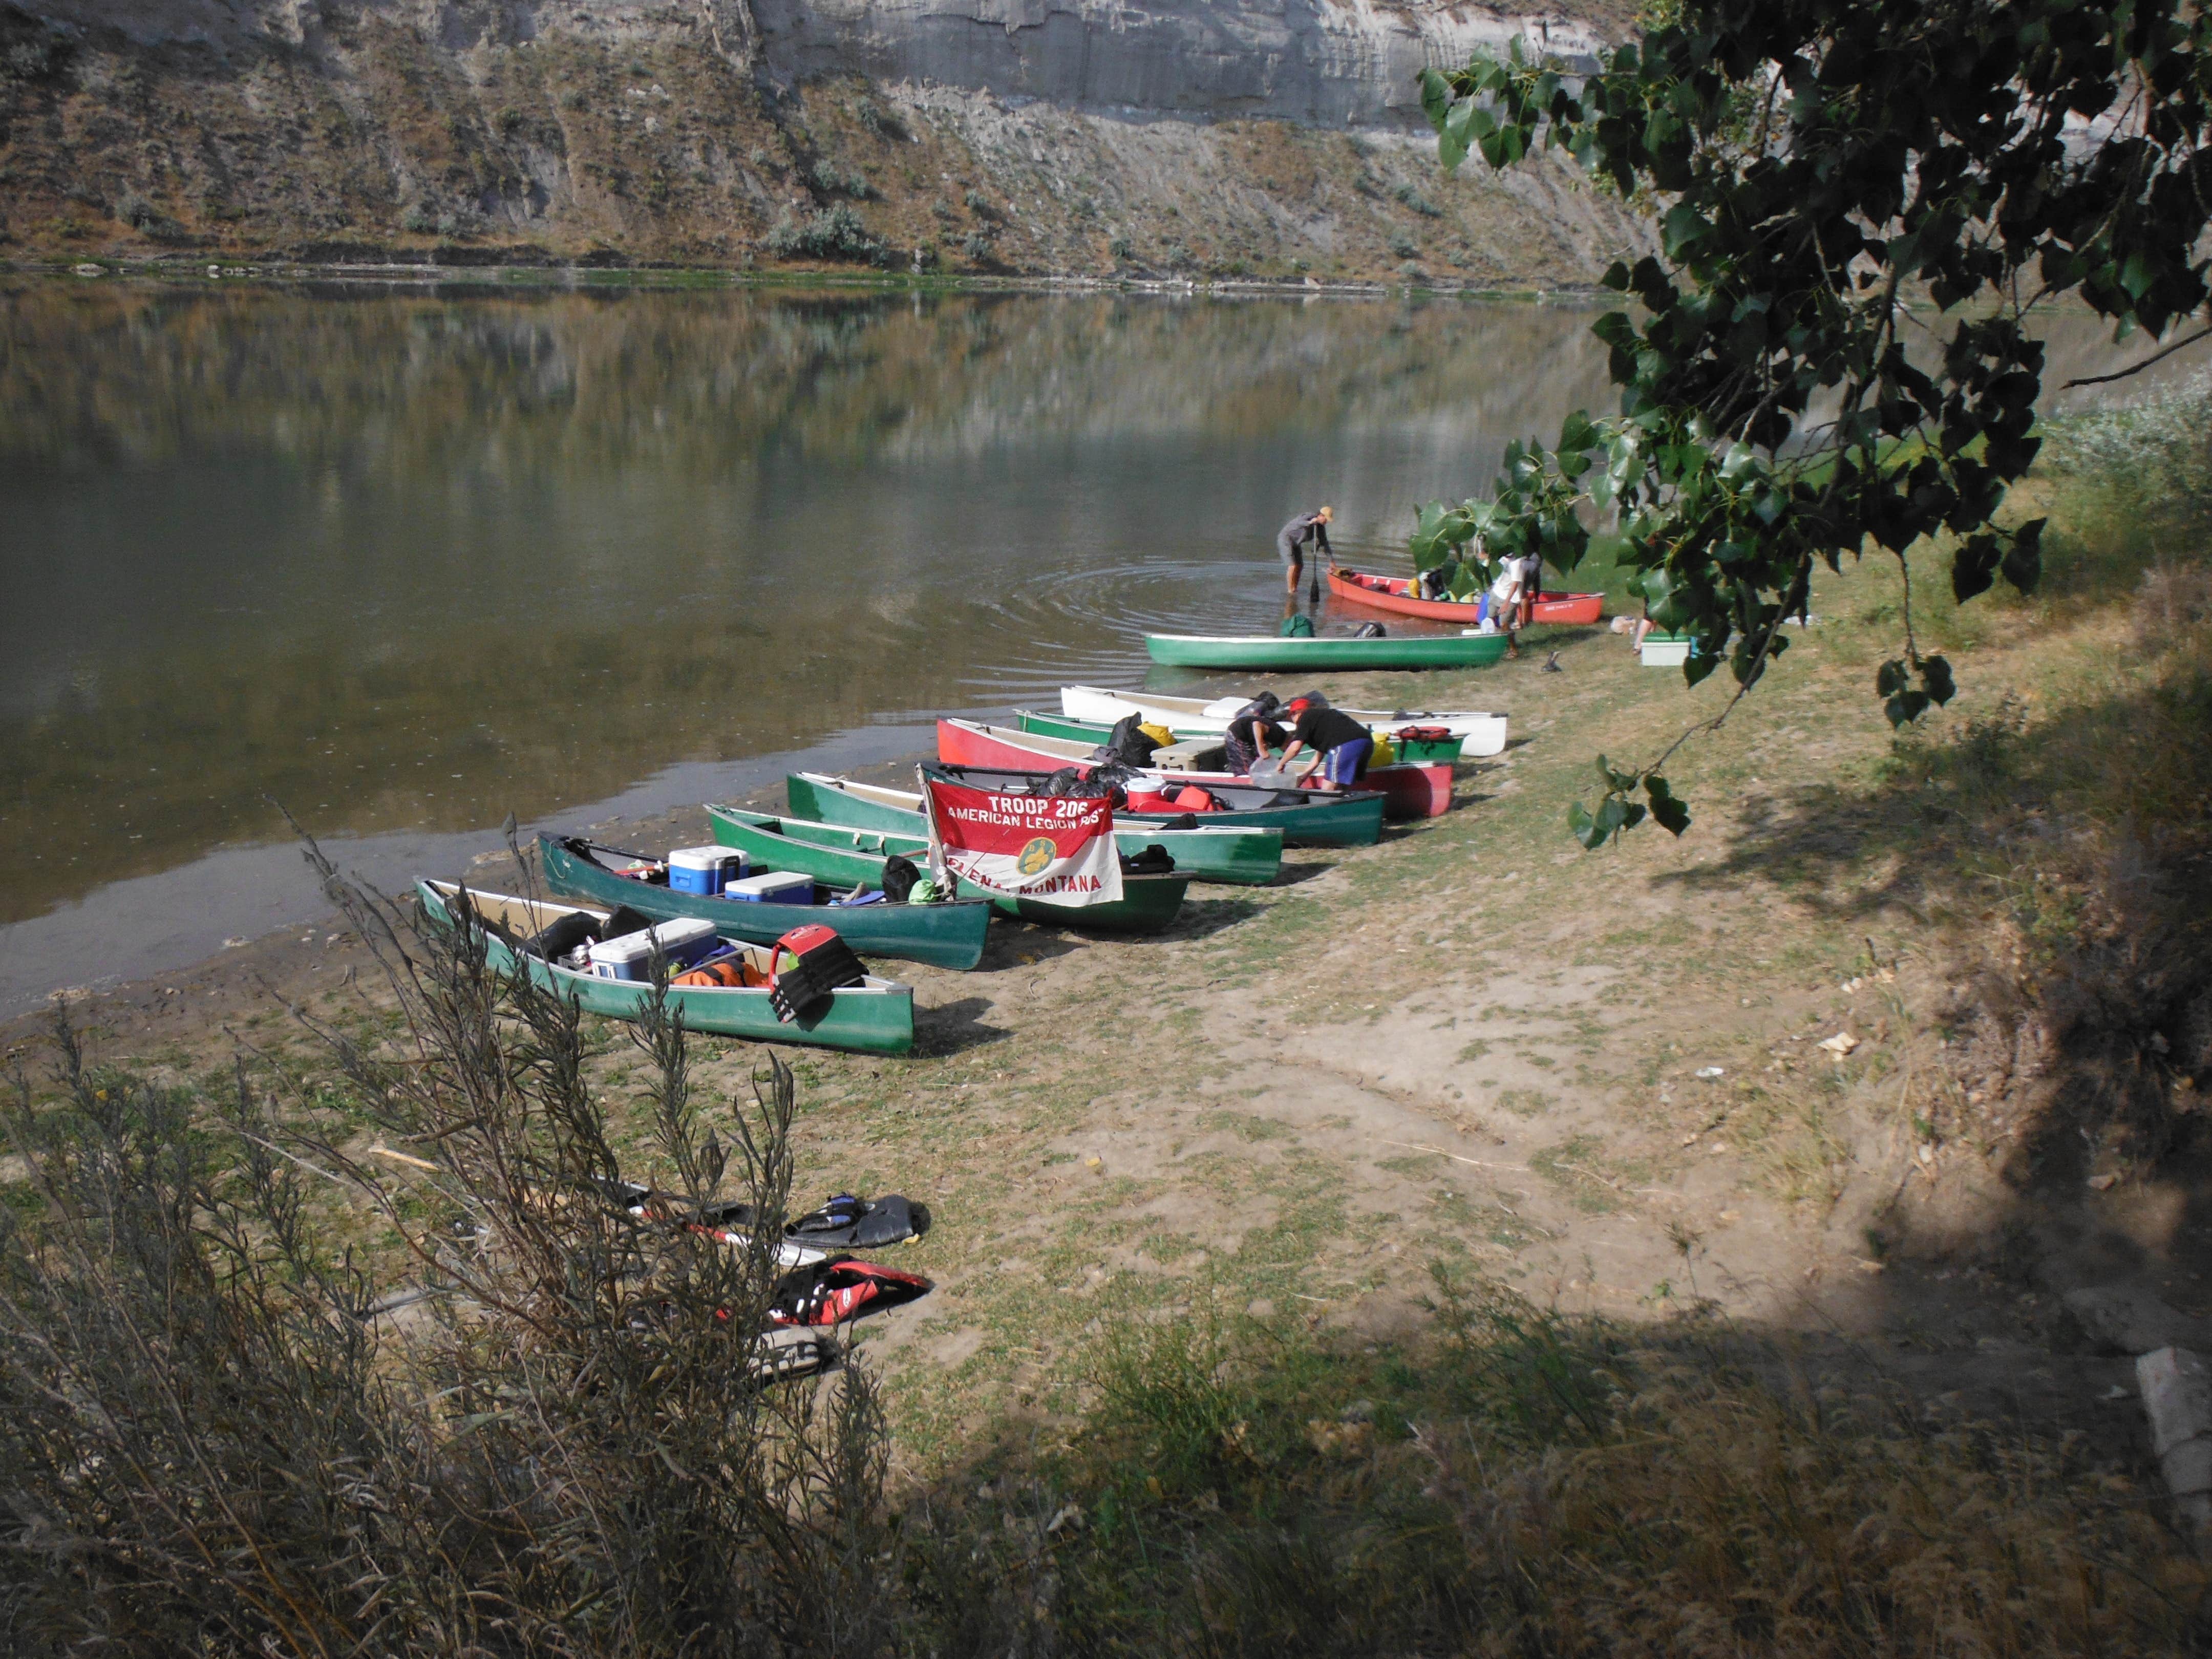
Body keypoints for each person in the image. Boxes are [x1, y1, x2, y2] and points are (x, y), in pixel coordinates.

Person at [1275, 693, 1373, 792]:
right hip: (1366, 742)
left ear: (1297, 713)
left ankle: (1326, 801)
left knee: (1328, 789)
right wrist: (1302, 778)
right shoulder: (1323, 719)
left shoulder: (1305, 717)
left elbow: (1295, 748)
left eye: (1292, 716)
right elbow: (1318, 758)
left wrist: (1281, 764)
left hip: (1345, 745)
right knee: (1343, 785)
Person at [1276, 505, 1333, 598]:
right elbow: (1299, 523)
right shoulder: (1308, 516)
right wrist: (1310, 522)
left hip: (1296, 543)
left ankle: (1295, 588)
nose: (1326, 522)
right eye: (1326, 519)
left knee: (1300, 565)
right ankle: (1290, 591)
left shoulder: (1321, 528)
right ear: (1321, 516)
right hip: (1286, 539)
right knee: (1293, 566)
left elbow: (1325, 544)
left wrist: (1331, 562)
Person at [1222, 695, 1287, 775]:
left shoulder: (1279, 739)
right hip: (1238, 734)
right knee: (1247, 768)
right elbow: (1257, 724)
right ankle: (1245, 779)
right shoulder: (1279, 735)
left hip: (1247, 738)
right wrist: (1261, 749)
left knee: (1254, 764)